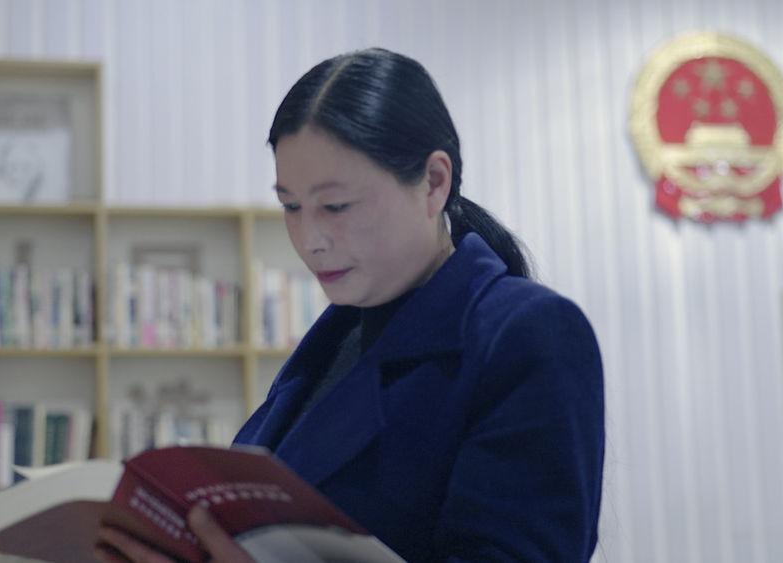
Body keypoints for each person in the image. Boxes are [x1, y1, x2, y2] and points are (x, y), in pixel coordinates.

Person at [96, 47, 604, 563]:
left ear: (434, 182)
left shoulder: (528, 332)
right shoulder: (338, 335)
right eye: (291, 206)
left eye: (335, 206)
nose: (309, 239)